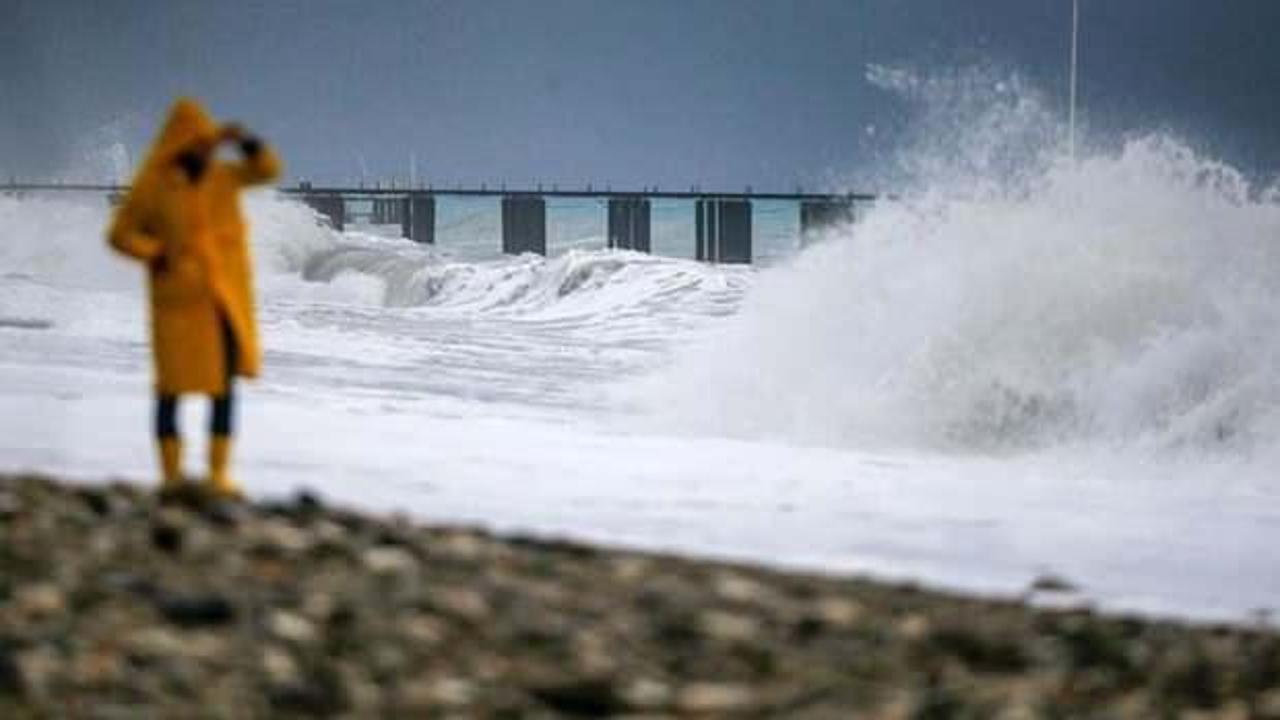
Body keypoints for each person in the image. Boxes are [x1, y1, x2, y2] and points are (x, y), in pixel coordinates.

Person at [107, 98, 281, 501]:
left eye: (208, 142)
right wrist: (155, 254)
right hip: (178, 304)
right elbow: (120, 235)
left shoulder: (222, 177)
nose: (205, 150)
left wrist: (247, 142)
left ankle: (218, 474)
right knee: (170, 389)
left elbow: (267, 170)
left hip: (222, 300)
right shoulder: (154, 186)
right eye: (198, 142)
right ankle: (171, 476)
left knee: (223, 388)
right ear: (178, 143)